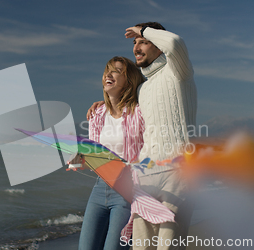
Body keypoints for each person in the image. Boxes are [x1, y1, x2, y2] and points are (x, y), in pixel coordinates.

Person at [87, 22, 197, 250]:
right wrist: (103, 104)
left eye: (143, 42)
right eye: (135, 43)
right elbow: (122, 101)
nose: (136, 47)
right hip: (145, 175)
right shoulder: (142, 89)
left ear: (158, 44)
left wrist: (145, 30)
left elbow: (175, 43)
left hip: (178, 173)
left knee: (169, 245)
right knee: (141, 247)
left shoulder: (178, 72)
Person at [78, 56, 145, 250]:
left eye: (116, 70)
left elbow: (151, 151)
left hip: (128, 190)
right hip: (100, 188)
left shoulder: (140, 113)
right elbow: (93, 154)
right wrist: (80, 157)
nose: (108, 74)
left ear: (129, 80)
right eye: (107, 70)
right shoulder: (97, 114)